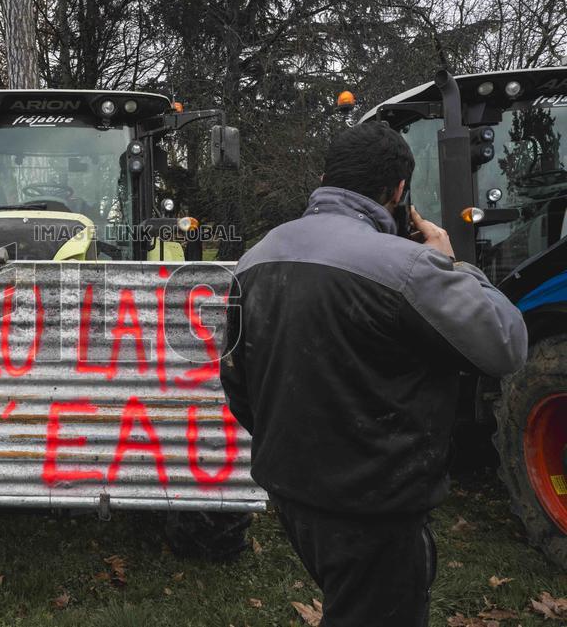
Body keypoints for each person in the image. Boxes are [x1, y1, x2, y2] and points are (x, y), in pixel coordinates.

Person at [221, 122, 527, 627]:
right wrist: (454, 265)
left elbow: (238, 380)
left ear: (324, 178)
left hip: (292, 492)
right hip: (373, 507)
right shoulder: (408, 267)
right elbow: (506, 346)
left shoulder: (256, 257)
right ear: (399, 191)